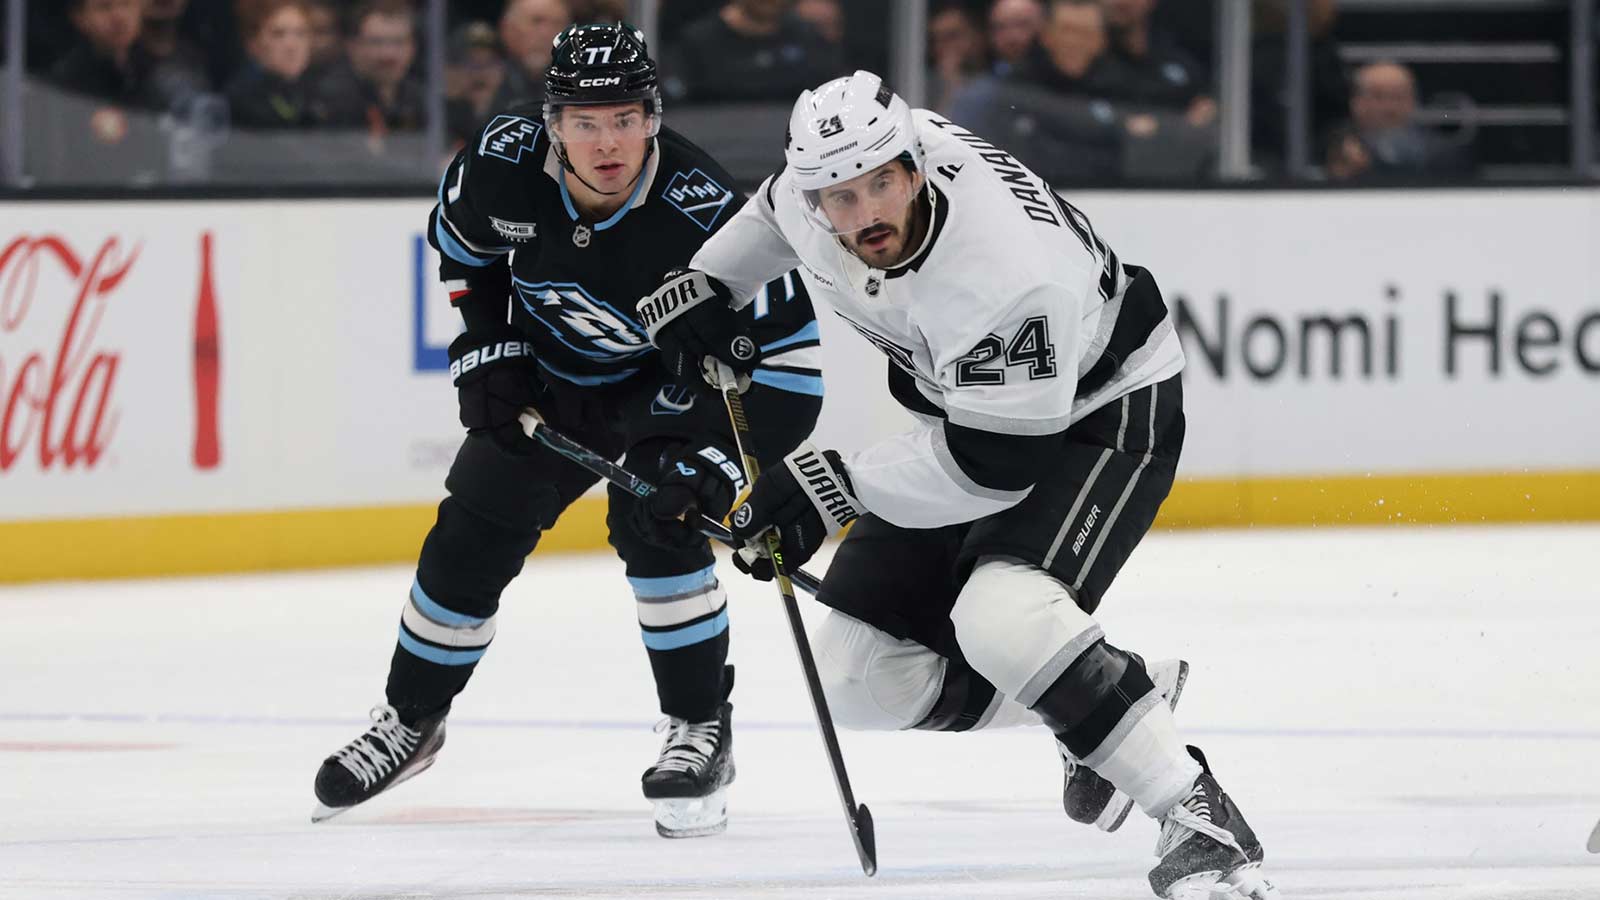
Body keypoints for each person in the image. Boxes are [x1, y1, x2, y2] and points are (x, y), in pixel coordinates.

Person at [637, 70, 1280, 899]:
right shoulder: (818, 191)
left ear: (913, 165)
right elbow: (770, 214)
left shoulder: (1006, 272)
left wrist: (831, 489)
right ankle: (1111, 697)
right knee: (859, 680)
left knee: (1000, 613)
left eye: (881, 184)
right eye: (839, 195)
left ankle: (1198, 815)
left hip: (1104, 411)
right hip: (971, 417)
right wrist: (712, 284)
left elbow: (996, 465)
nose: (864, 213)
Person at [310, 24, 823, 841]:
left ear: (654, 117)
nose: (607, 142)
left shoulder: (712, 215)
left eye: (625, 117)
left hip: (669, 393)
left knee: (657, 525)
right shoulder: (502, 161)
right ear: (552, 124)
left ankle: (701, 729)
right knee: (470, 532)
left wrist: (714, 464)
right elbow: (463, 253)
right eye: (586, 121)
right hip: (557, 382)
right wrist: (485, 348)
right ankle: (412, 720)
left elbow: (794, 374)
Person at [227, 0, 319, 130]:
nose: (291, 45)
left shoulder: (327, 94)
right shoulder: (240, 100)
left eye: (301, 33)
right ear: (253, 43)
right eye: (278, 34)